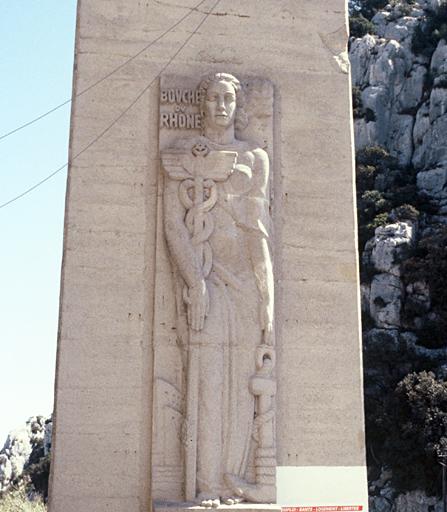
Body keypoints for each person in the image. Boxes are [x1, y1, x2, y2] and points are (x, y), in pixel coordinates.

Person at [162, 72, 274, 506]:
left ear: (237, 104)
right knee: (207, 383)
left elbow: (257, 231)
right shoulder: (181, 155)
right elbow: (174, 225)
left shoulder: (255, 158)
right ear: (201, 103)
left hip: (243, 281)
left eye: (228, 97)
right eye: (213, 97)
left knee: (243, 390)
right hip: (204, 280)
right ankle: (206, 486)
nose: (221, 105)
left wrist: (266, 296)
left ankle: (234, 480)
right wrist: (194, 281)